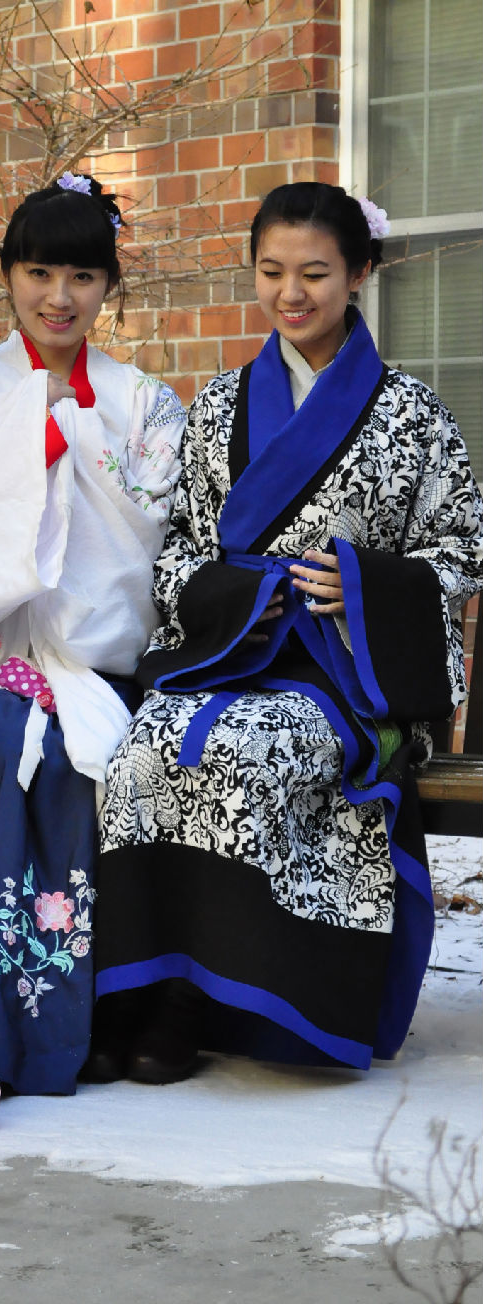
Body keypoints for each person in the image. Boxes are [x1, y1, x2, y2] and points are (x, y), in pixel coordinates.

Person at [91, 182, 483, 1085]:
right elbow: (177, 550)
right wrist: (233, 594)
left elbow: (462, 551)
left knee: (247, 750)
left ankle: (209, 1002)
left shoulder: (414, 416)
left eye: (315, 273)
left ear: (361, 273)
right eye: (271, 272)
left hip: (346, 672)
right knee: (145, 748)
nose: (291, 293)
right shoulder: (219, 406)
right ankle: (137, 988)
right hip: (232, 652)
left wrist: (362, 584)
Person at [0, 174, 185, 1094]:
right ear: (6, 275)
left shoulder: (145, 402)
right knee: (4, 739)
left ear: (110, 286)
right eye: (39, 273)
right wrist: (36, 445)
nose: (60, 298)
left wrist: (70, 444)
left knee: (92, 750)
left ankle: (103, 1013)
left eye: (83, 276)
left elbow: (148, 535)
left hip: (99, 653)